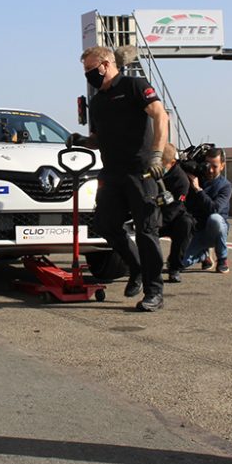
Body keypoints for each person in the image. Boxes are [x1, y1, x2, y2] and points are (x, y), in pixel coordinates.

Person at [68, 46, 169, 311]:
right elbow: (99, 138)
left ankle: (154, 292)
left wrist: (157, 156)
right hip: (112, 173)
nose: (89, 75)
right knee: (105, 225)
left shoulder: (135, 86)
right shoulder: (98, 101)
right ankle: (135, 268)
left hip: (141, 172)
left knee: (147, 231)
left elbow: (160, 115)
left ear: (105, 65)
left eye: (90, 70)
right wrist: (83, 141)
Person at [179, 147, 232, 274]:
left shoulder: (226, 186)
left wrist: (198, 189)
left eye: (214, 166)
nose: (210, 169)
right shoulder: (196, 178)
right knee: (179, 263)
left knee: (215, 219)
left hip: (215, 231)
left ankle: (222, 259)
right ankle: (204, 256)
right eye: (207, 165)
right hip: (198, 231)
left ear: (222, 166)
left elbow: (214, 208)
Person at [157, 143, 193, 283]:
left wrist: (158, 223)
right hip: (150, 214)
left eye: (162, 164)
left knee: (186, 224)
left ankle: (175, 267)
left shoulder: (181, 180)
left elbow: (175, 207)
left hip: (170, 218)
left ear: (172, 163)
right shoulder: (150, 172)